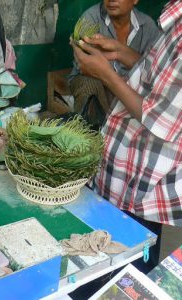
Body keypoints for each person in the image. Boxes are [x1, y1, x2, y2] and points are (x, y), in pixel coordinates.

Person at [71, 0, 182, 273]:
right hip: (123, 169)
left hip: (143, 183)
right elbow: (161, 76)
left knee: (126, 271)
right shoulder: (173, 18)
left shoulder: (154, 23)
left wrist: (106, 74)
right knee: (103, 253)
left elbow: (160, 119)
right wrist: (123, 53)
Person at [69, 0, 160, 129]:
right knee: (88, 85)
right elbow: (85, 66)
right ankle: (89, 137)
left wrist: (125, 81)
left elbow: (155, 68)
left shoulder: (148, 26)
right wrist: (115, 81)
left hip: (131, 86)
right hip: (95, 80)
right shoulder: (89, 19)